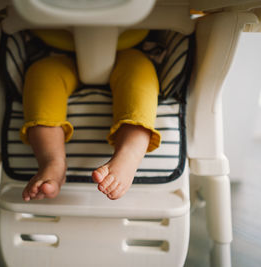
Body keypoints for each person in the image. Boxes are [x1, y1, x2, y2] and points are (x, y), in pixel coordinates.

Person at [20, 29, 161, 201]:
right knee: (41, 77)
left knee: (140, 78)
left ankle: (129, 154)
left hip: (130, 47)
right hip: (58, 50)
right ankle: (52, 162)